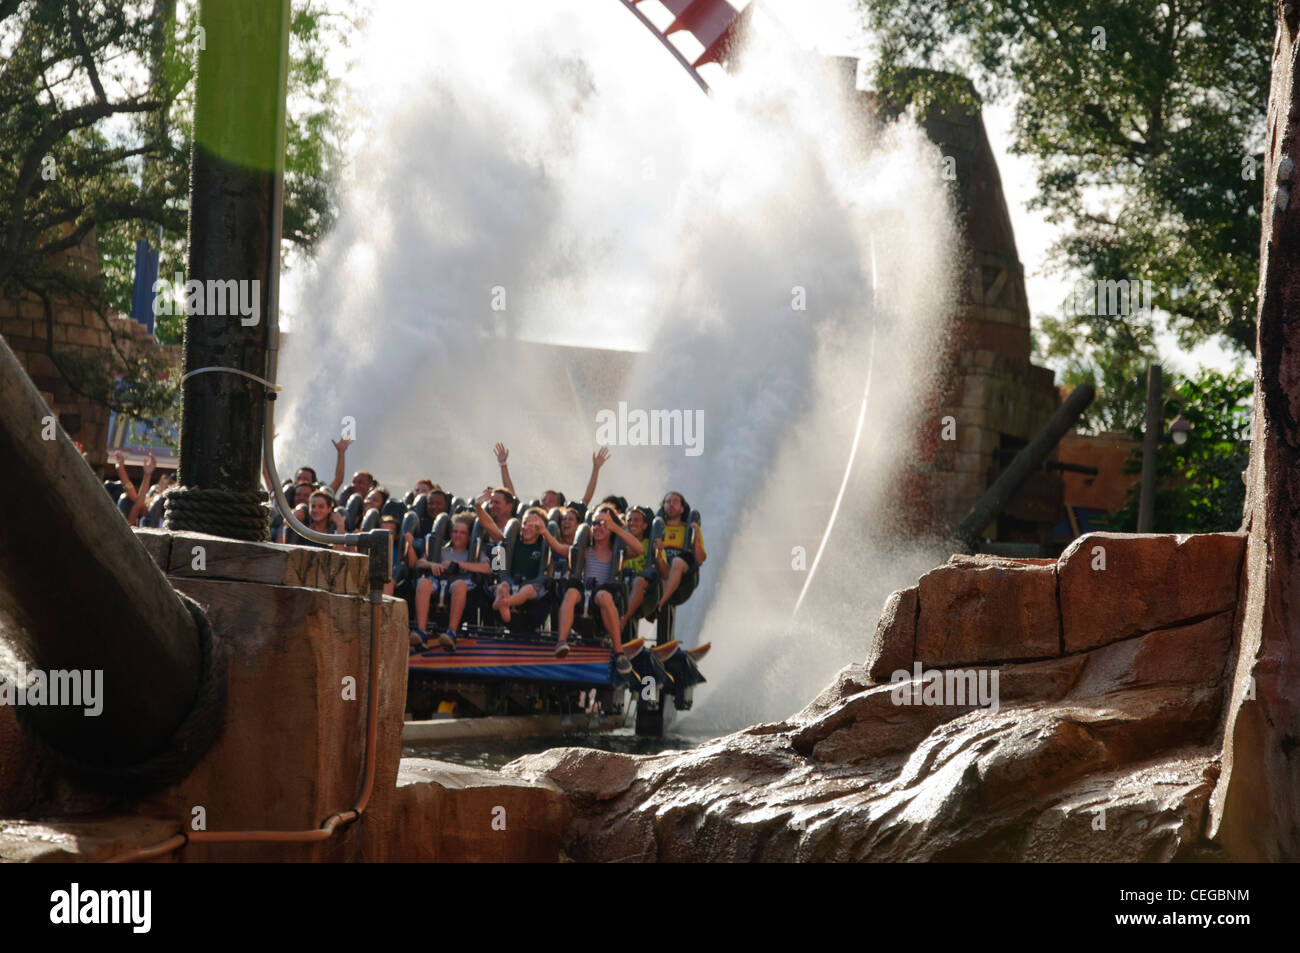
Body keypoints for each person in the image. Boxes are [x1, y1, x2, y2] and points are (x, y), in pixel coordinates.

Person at [555, 504, 643, 672]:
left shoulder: (617, 553)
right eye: (595, 523)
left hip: (603, 596)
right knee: (571, 592)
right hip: (584, 594)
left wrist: (616, 528)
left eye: (603, 524)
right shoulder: (586, 551)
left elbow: (638, 549)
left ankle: (619, 652)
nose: (597, 528)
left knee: (603, 595)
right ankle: (561, 642)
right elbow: (560, 548)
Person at [475, 495, 560, 626]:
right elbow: (489, 526)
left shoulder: (544, 546)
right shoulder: (511, 543)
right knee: (501, 587)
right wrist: (478, 507)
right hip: (508, 583)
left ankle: (506, 603)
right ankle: (503, 605)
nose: (527, 527)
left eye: (533, 524)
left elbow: (559, 551)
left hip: (533, 587)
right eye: (525, 523)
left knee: (527, 590)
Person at [410, 513, 490, 652]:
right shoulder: (442, 550)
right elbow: (418, 563)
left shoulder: (473, 554)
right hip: (438, 585)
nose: (457, 535)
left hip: (460, 588)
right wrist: (432, 565)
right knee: (423, 582)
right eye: (455, 531)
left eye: (462, 533)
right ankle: (421, 632)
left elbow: (487, 568)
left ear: (469, 536)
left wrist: (458, 564)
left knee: (459, 585)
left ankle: (451, 633)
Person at [493, 443, 610, 519]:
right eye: (543, 500)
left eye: (550, 501)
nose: (545, 504)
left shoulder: (564, 519)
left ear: (559, 505)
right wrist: (503, 465)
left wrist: (596, 468)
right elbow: (511, 496)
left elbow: (586, 500)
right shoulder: (531, 516)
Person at [653, 491, 706, 616]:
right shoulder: (657, 529)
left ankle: (659, 603)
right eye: (668, 502)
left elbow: (700, 559)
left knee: (677, 561)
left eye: (675, 502)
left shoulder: (689, 529)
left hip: (684, 576)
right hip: (661, 569)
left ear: (682, 508)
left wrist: (696, 536)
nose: (671, 504)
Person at [618, 506, 658, 632]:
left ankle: (623, 620)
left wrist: (659, 552)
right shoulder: (619, 544)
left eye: (636, 520)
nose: (632, 523)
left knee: (638, 582)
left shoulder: (650, 544)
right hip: (621, 583)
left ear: (645, 525)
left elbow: (663, 570)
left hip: (644, 588)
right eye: (629, 520)